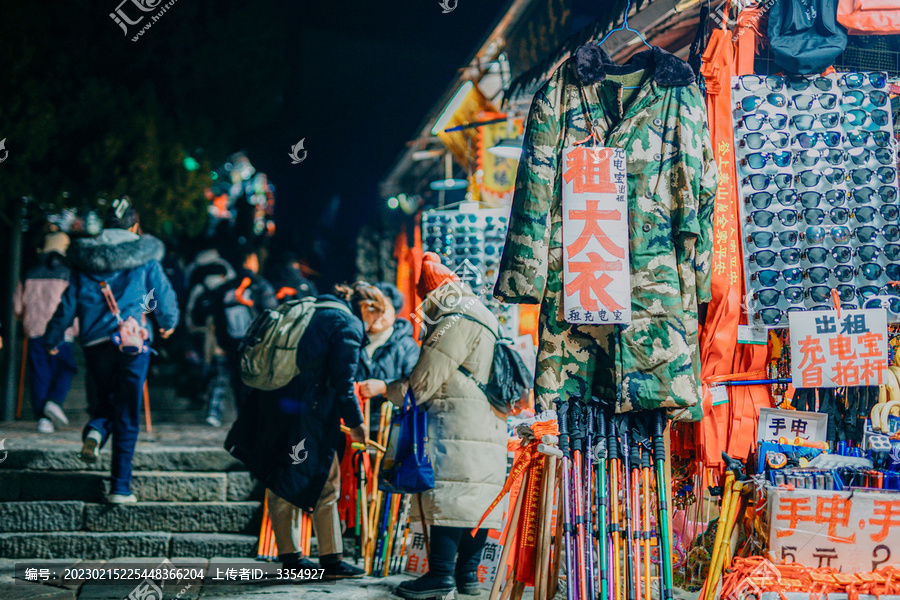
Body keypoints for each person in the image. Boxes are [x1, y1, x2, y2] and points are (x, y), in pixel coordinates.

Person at [377, 253, 507, 599]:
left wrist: (386, 388)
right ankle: (468, 576)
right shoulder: (483, 313)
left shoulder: (454, 316)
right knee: (476, 497)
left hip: (457, 420)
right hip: (486, 419)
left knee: (453, 495)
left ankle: (439, 576)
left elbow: (423, 381)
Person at [225, 283, 373, 580]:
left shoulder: (307, 309)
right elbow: (344, 384)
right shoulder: (346, 323)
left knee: (279, 478)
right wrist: (357, 426)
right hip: (310, 415)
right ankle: (332, 560)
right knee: (326, 481)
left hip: (274, 406)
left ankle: (291, 557)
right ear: (363, 306)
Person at [45, 199, 179, 504]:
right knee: (127, 412)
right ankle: (120, 487)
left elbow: (68, 304)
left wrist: (53, 338)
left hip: (95, 344)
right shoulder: (145, 257)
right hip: (133, 343)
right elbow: (162, 294)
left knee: (105, 400)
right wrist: (168, 323)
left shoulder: (85, 259)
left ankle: (94, 431)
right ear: (134, 226)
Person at [192, 246, 276, 426]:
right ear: (250, 260)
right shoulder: (260, 285)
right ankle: (252, 423)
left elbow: (208, 311)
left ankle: (234, 419)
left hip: (230, 343)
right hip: (256, 346)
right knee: (253, 385)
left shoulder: (225, 288)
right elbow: (273, 314)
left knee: (234, 383)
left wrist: (221, 341)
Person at [14, 232, 79, 433]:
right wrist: (76, 329)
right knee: (65, 369)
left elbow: (17, 307)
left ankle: (43, 418)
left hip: (35, 329)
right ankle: (54, 401)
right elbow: (74, 304)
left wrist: (24, 320)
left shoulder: (29, 273)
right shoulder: (69, 273)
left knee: (40, 374)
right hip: (62, 331)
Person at [355, 282, 420, 428]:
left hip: (390, 428)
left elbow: (419, 387)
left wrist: (385, 387)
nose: (378, 315)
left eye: (384, 309)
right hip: (349, 425)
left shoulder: (407, 346)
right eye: (372, 308)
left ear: (395, 312)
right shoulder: (352, 340)